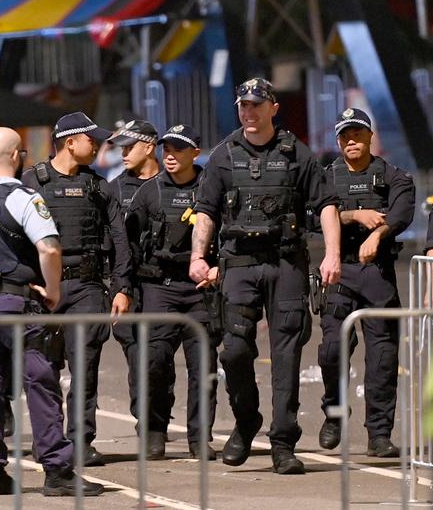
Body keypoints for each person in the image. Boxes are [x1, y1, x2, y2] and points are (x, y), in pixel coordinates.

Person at [190, 77, 341, 474]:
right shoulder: (223, 155)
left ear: (273, 107)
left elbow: (326, 204)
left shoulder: (297, 154)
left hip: (286, 262)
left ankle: (282, 441)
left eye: (256, 104)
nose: (248, 111)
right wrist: (197, 257)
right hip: (238, 264)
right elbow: (205, 210)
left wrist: (332, 256)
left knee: (287, 355)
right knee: (234, 351)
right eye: (243, 105)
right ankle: (246, 420)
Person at [0, 127, 103, 496]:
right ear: (16, 156)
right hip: (19, 304)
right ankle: (57, 471)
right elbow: (49, 249)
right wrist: (51, 291)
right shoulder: (24, 198)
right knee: (41, 383)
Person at [22, 112, 132, 466]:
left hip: (86, 286)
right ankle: (48, 440)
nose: (98, 145)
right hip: (44, 287)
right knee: (44, 370)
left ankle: (81, 441)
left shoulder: (99, 187)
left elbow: (119, 240)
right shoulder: (32, 183)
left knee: (85, 367)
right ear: (70, 142)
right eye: (91, 139)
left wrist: (121, 287)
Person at [317, 108, 414, 457]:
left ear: (371, 136)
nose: (351, 141)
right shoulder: (326, 178)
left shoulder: (392, 176)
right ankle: (334, 413)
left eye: (357, 134)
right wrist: (354, 215)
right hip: (340, 270)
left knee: (383, 358)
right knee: (331, 350)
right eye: (344, 135)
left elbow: (402, 213)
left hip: (378, 273)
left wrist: (379, 235)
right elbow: (314, 218)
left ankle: (379, 434)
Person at [125, 124, 220, 460]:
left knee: (203, 367)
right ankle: (154, 431)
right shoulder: (149, 192)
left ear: (195, 152)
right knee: (154, 364)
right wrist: (125, 287)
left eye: (178, 149)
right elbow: (129, 242)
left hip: (200, 290)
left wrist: (219, 267)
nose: (170, 155)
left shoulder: (211, 188)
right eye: (166, 148)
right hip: (159, 288)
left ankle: (199, 437)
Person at [106, 120, 160, 421]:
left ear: (149, 147)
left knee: (160, 360)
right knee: (138, 358)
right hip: (130, 286)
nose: (123, 154)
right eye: (121, 148)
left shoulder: (170, 181)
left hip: (166, 284)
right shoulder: (114, 190)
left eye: (129, 147)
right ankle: (147, 422)